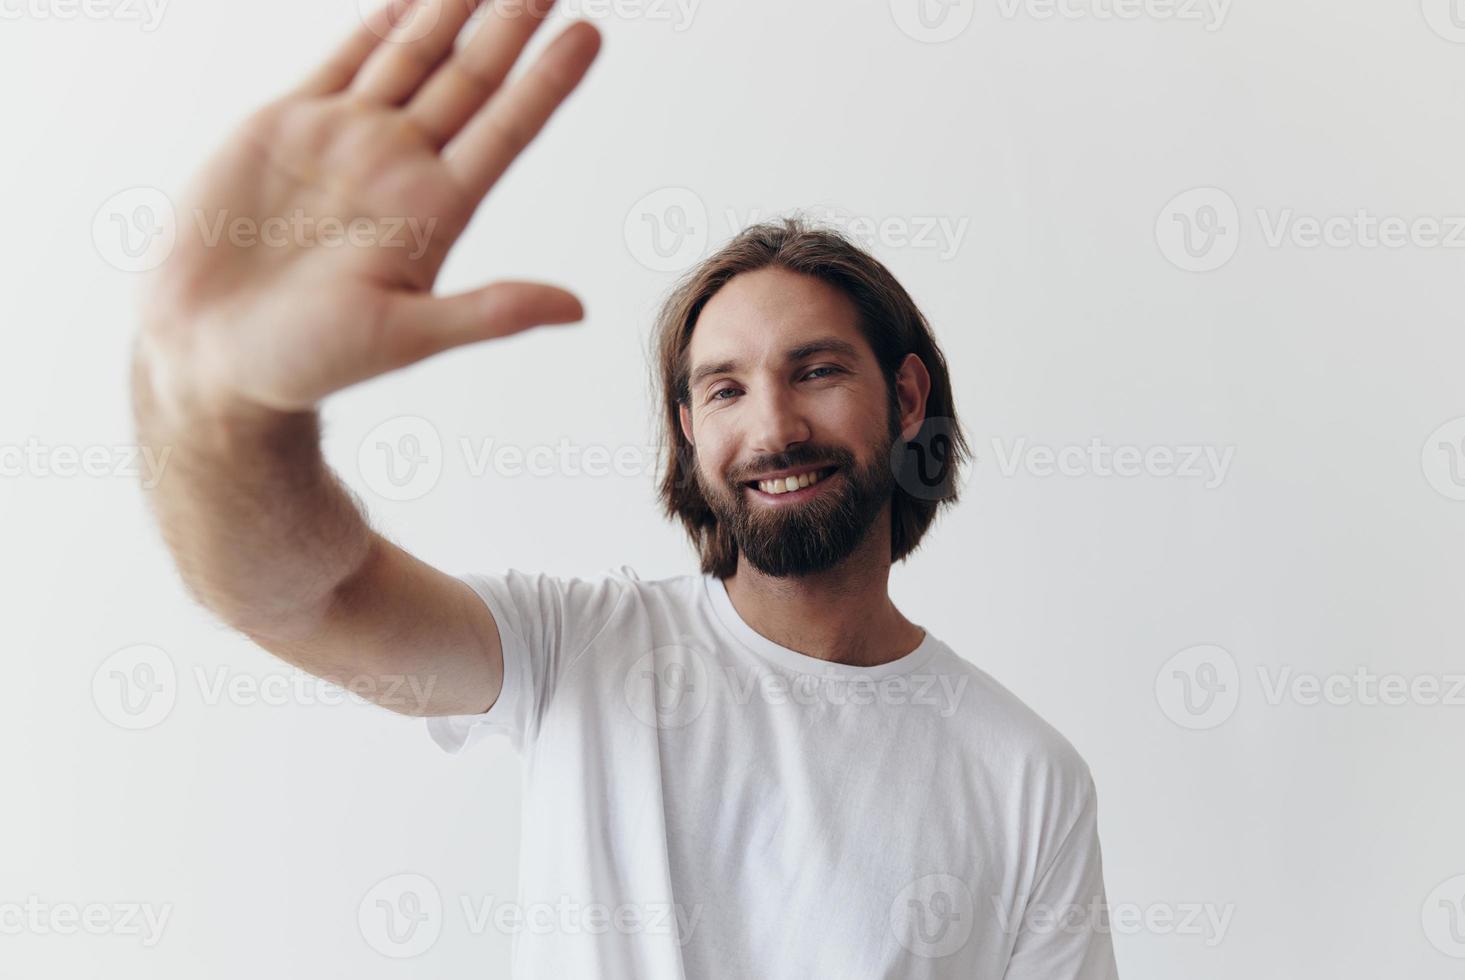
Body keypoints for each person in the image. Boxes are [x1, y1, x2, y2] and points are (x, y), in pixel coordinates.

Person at [129, 1, 1119, 976]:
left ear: (906, 397)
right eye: (725, 388)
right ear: (689, 432)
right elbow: (300, 596)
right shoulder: (577, 655)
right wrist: (222, 409)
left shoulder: (1027, 774)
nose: (771, 427)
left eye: (816, 371)